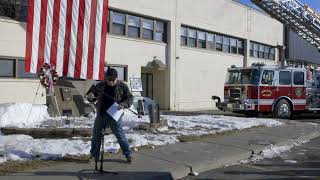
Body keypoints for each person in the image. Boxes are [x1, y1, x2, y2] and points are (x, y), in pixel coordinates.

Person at [86, 68, 134, 163]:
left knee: (120, 135)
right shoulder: (100, 85)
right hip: (102, 114)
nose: (111, 82)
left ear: (117, 78)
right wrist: (90, 96)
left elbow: (129, 98)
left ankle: (128, 154)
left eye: (113, 80)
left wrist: (124, 104)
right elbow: (91, 95)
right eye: (109, 80)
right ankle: (94, 155)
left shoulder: (122, 86)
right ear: (106, 78)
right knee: (96, 136)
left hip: (115, 115)